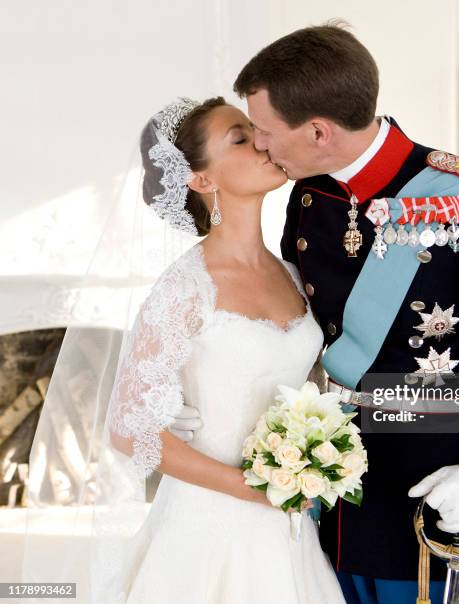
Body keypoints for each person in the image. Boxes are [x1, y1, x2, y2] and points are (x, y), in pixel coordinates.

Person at [223, 22, 459, 604]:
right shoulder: (312, 195)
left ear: (318, 131)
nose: (258, 144)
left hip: (446, 491)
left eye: (263, 130)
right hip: (336, 487)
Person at [94, 97, 346, 603]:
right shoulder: (185, 289)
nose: (262, 140)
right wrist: (253, 489)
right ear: (202, 181)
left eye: (254, 128)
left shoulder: (294, 272)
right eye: (238, 137)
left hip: (290, 525)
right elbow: (126, 429)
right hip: (208, 526)